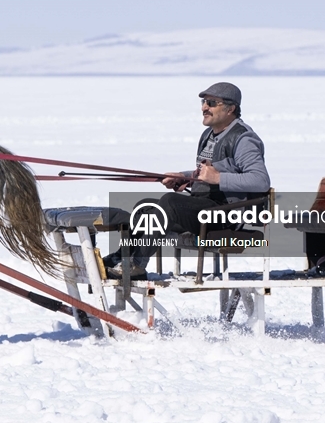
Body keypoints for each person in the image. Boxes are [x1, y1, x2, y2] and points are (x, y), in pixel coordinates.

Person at [105, 82, 270, 279]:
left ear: (230, 108)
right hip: (203, 208)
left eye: (211, 102)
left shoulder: (244, 139)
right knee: (146, 207)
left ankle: (137, 265)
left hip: (224, 215)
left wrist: (218, 178)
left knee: (170, 202)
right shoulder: (209, 135)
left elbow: (261, 180)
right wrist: (185, 177)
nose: (204, 107)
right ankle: (122, 257)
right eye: (203, 102)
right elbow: (206, 171)